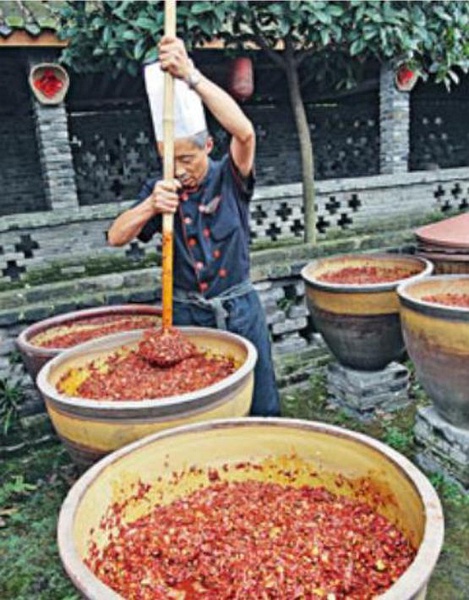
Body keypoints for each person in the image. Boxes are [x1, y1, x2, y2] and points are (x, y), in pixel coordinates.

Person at [108, 35, 280, 417]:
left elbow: (245, 132)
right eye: (170, 161)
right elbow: (115, 237)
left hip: (239, 308)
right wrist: (151, 205)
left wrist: (191, 76)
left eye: (187, 159)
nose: (180, 170)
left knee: (260, 399)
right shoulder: (160, 188)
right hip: (188, 316)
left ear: (207, 147)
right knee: (200, 402)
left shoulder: (229, 177)